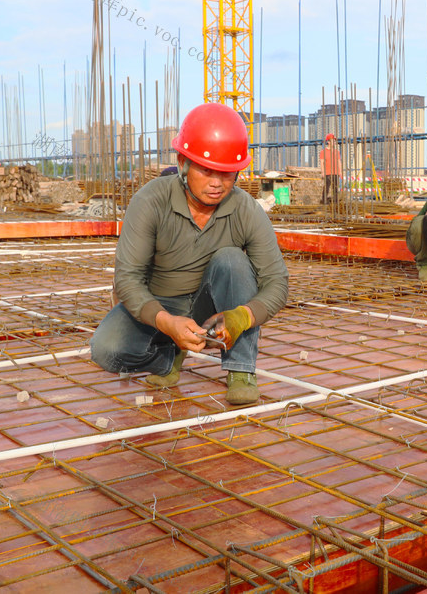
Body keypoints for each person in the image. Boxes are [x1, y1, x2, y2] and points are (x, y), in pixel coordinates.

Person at [90, 103, 289, 406]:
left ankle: (240, 369)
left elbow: (277, 281)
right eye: (206, 170)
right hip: (161, 304)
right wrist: (167, 323)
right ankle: (168, 358)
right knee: (107, 350)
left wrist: (241, 317)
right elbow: (127, 278)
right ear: (183, 162)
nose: (217, 183)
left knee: (233, 260)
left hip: (207, 305)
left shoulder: (246, 209)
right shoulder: (151, 202)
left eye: (226, 173)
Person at [320, 133, 341, 205]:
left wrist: (340, 172)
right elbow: (322, 162)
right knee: (326, 188)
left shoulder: (336, 152)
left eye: (335, 141)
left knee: (335, 189)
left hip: (335, 172)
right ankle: (324, 202)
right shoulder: (323, 152)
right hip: (327, 173)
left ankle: (335, 203)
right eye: (333, 141)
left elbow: (339, 162)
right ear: (328, 142)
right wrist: (323, 172)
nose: (334, 142)